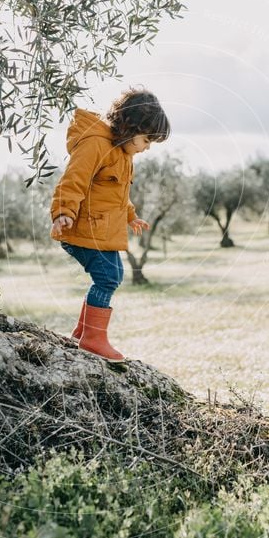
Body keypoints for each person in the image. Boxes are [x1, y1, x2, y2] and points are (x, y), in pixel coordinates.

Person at [49, 88, 170, 366]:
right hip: (83, 227)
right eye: (146, 140)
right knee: (109, 276)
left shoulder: (123, 154)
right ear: (130, 127)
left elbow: (115, 194)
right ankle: (93, 339)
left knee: (109, 274)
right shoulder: (95, 144)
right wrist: (63, 212)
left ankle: (83, 333)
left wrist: (131, 215)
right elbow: (73, 179)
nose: (146, 147)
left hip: (102, 229)